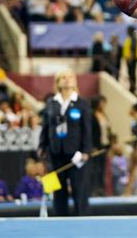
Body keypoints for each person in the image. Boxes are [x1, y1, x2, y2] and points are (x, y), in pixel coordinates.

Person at [38, 69, 92, 216]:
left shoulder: (82, 104)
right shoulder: (51, 103)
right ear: (58, 82)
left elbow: (87, 129)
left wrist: (86, 151)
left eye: (70, 77)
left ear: (75, 81)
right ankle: (59, 222)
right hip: (55, 154)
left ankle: (81, 220)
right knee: (58, 192)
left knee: (79, 190)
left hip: (76, 155)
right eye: (63, 77)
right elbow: (46, 127)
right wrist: (42, 146)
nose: (67, 80)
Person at [91, 95, 111, 196]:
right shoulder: (92, 115)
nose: (103, 105)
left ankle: (102, 189)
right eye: (101, 102)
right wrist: (92, 146)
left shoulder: (104, 115)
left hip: (104, 145)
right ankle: (95, 189)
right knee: (95, 168)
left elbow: (107, 130)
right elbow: (91, 132)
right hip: (96, 146)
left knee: (102, 168)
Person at [122, 26, 137, 94]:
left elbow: (133, 49)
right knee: (131, 73)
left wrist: (130, 58)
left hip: (132, 59)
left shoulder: (132, 38)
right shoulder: (132, 38)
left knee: (132, 73)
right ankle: (132, 87)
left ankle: (133, 88)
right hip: (131, 58)